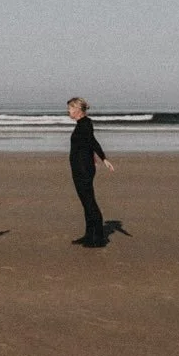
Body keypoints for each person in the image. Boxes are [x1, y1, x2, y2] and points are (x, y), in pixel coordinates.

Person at [67, 97, 115, 247]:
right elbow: (86, 144)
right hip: (80, 167)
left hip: (84, 169)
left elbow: (92, 141)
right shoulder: (81, 124)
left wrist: (103, 158)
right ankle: (89, 235)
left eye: (69, 108)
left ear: (77, 110)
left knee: (89, 203)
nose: (68, 111)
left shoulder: (85, 124)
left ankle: (99, 238)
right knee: (85, 203)